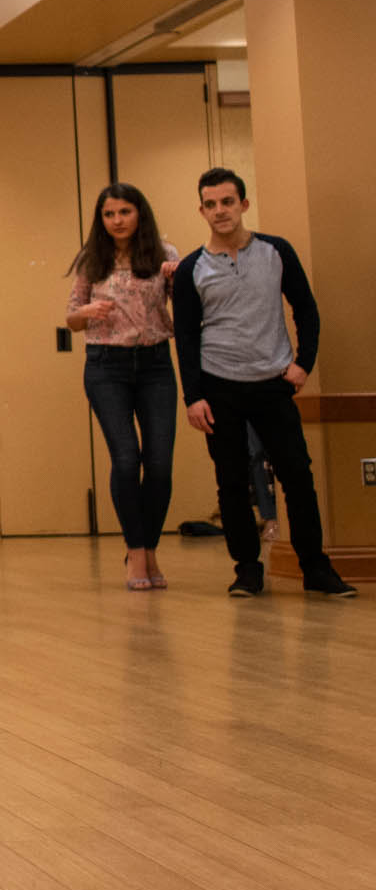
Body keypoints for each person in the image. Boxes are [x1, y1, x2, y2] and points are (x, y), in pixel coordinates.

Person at [174, 167, 354, 598]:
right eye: (211, 204)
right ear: (202, 210)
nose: (221, 211)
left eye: (228, 202)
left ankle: (316, 569)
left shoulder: (277, 252)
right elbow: (185, 336)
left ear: (243, 205)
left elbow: (306, 310)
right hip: (219, 387)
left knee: (297, 476)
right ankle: (247, 570)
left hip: (273, 383)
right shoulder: (190, 270)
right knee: (232, 481)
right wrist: (194, 397)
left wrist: (302, 363)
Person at [65, 185, 179, 590]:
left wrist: (177, 281)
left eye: (124, 212)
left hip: (155, 365)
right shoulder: (92, 260)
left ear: (139, 214)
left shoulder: (166, 255)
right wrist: (87, 312)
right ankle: (136, 551)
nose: (117, 220)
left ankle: (149, 548)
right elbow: (71, 318)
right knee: (127, 459)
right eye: (109, 214)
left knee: (160, 464)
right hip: (105, 366)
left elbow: (185, 309)